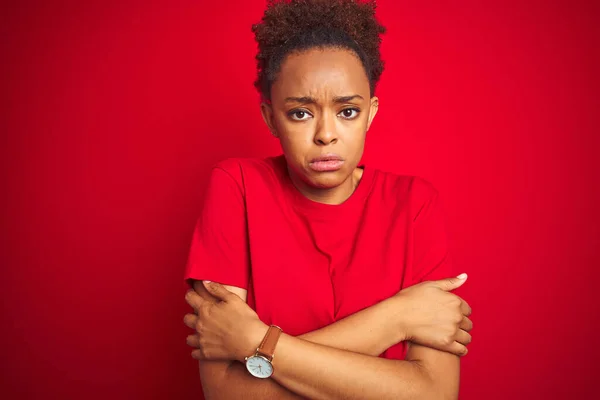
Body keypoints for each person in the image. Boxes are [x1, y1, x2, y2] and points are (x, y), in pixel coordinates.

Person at [182, 0, 473, 399]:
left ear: (370, 113)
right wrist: (396, 318)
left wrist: (257, 342)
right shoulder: (237, 186)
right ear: (270, 118)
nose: (326, 134)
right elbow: (228, 393)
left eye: (347, 111)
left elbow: (435, 393)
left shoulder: (413, 203)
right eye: (300, 113)